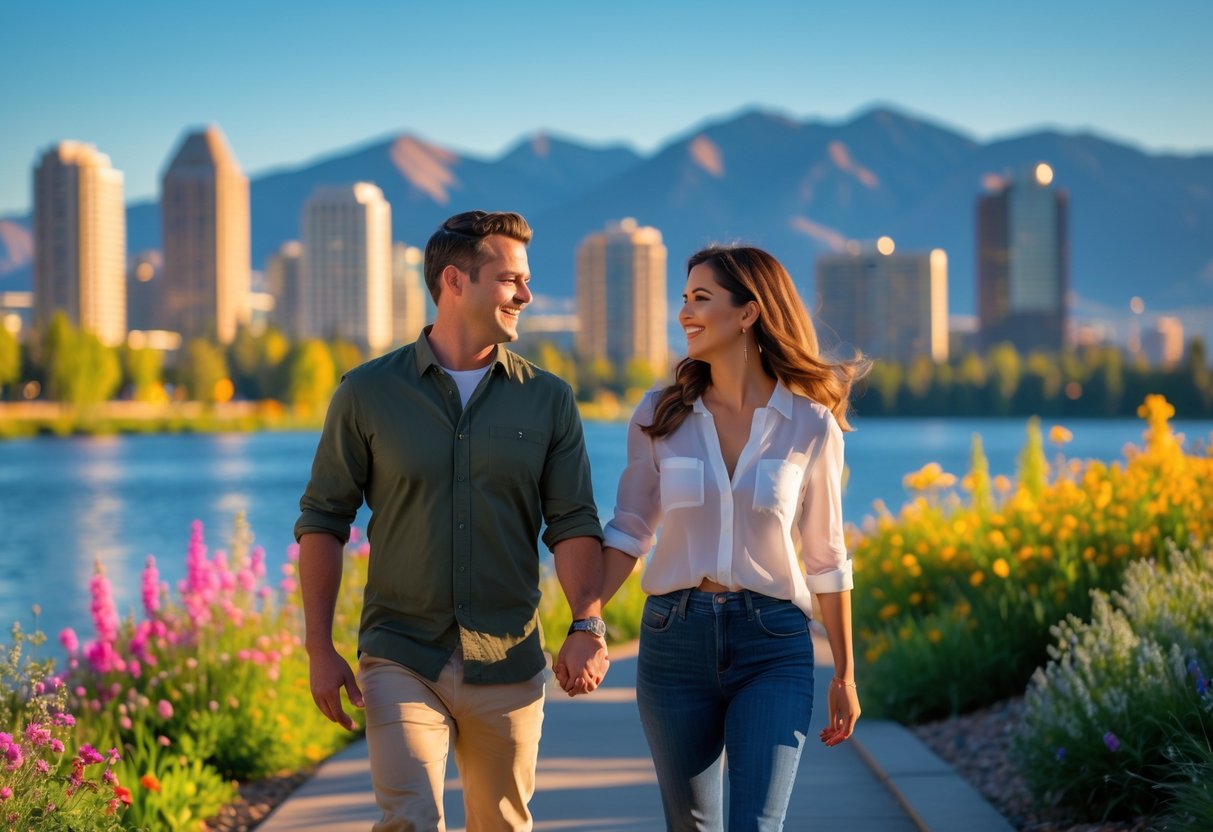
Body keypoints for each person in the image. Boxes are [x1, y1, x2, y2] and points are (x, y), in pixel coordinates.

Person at [295, 210, 609, 832]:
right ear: (454, 282)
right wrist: (317, 646)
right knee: (408, 819)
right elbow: (323, 520)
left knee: (503, 825)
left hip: (510, 660)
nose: (526, 295)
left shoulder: (549, 399)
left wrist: (588, 624)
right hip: (401, 653)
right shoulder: (366, 392)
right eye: (509, 279)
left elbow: (572, 521)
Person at [599, 245, 867, 831]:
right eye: (684, 298)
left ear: (748, 313)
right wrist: (587, 621)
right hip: (674, 641)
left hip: (773, 645)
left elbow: (827, 557)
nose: (684, 313)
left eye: (701, 298)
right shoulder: (659, 415)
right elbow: (629, 528)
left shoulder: (810, 424)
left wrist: (844, 676)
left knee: (756, 826)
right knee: (692, 826)